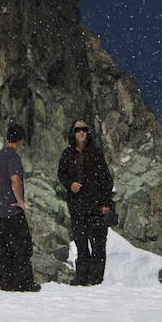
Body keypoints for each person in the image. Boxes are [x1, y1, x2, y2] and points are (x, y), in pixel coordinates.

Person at [57, 119, 114, 286]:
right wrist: (70, 184)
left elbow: (106, 179)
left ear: (88, 132)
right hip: (77, 207)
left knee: (98, 245)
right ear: (73, 133)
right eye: (77, 129)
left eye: (84, 129)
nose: (81, 132)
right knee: (81, 243)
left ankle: (96, 279)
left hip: (96, 207)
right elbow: (61, 173)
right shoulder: (67, 154)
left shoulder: (95, 153)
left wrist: (105, 202)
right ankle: (82, 277)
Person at [0, 121, 39, 292]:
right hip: (11, 208)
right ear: (21, 139)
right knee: (22, 246)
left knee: (5, 246)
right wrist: (20, 201)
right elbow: (15, 180)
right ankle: (23, 282)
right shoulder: (13, 156)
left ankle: (6, 281)